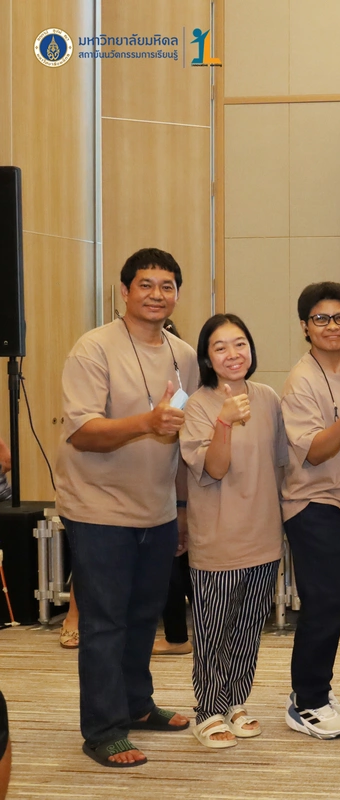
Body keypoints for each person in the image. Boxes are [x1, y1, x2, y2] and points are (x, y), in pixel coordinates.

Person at [55, 247, 198, 767]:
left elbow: (180, 434)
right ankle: (103, 729)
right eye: (146, 284)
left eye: (167, 286)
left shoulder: (184, 356)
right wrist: (146, 422)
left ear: (176, 294)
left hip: (156, 508)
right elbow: (84, 432)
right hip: (97, 508)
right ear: (124, 291)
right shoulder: (93, 349)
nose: (157, 294)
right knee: (104, 622)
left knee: (142, 617)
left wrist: (180, 507)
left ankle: (137, 705)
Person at [180, 314, 287, 749]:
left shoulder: (268, 398)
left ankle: (236, 701)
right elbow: (215, 468)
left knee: (247, 629)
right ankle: (208, 709)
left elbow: (280, 465)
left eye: (240, 343)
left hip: (264, 536)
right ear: (207, 357)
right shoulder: (197, 405)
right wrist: (223, 421)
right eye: (220, 347)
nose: (232, 354)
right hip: (217, 540)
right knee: (213, 631)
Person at [281, 282, 340, 739]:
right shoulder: (300, 380)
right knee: (323, 603)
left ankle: (317, 688)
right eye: (321, 319)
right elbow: (316, 452)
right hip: (313, 501)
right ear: (305, 326)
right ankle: (306, 701)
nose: (332, 326)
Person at [154, 317, 195, 657]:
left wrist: (182, 507)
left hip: (179, 492)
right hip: (154, 492)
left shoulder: (183, 394)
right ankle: (180, 636)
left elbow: (181, 452)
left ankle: (178, 637)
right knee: (178, 564)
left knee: (177, 563)